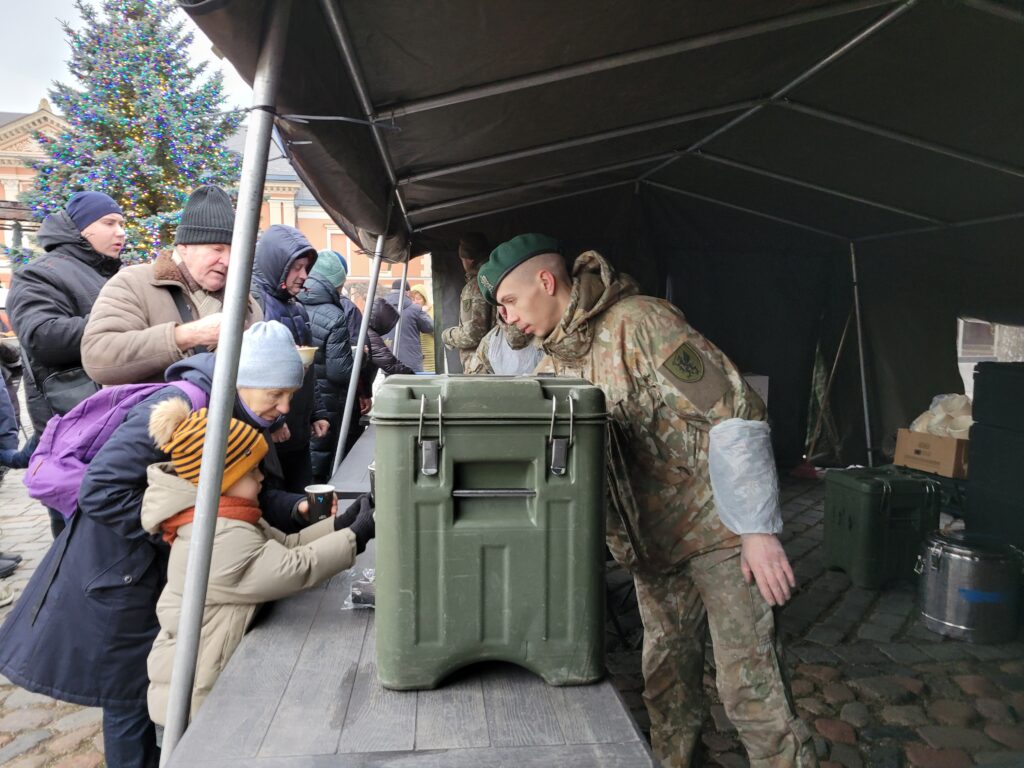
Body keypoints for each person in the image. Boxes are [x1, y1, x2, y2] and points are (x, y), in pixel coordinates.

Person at [477, 234, 815, 768]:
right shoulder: (550, 367)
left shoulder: (641, 325)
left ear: (546, 281)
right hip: (651, 550)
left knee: (751, 692)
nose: (508, 318)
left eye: (510, 302)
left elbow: (733, 409)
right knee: (666, 690)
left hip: (718, 534)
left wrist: (757, 530)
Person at [0, 322, 325, 768]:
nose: (284, 407)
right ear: (242, 379)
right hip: (119, 571)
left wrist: (294, 509)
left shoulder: (242, 409)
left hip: (153, 566)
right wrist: (186, 530)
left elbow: (233, 491)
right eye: (276, 394)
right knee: (131, 696)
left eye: (291, 395)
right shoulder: (182, 407)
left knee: (155, 687)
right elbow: (102, 490)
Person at [142, 398, 375, 730]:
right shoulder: (217, 536)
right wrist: (355, 536)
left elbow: (286, 546)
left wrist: (338, 526)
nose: (261, 477)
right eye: (251, 470)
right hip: (193, 700)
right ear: (223, 480)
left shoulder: (229, 518)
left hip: (212, 676)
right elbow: (292, 568)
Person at [8, 191, 125, 537]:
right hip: (71, 429)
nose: (120, 232)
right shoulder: (39, 274)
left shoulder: (107, 273)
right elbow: (42, 336)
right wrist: (120, 322)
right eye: (109, 223)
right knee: (78, 536)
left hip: (110, 421)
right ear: (81, 229)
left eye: (122, 223)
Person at [81, 185, 262, 385]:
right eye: (217, 249)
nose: (227, 261)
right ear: (184, 248)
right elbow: (98, 359)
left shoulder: (248, 305)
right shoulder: (133, 283)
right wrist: (188, 335)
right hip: (150, 406)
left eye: (233, 252)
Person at [251, 225, 330, 492]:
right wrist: (274, 422)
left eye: (306, 268)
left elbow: (307, 369)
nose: (304, 275)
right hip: (271, 435)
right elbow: (253, 375)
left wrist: (317, 412)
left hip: (297, 431)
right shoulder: (254, 304)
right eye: (296, 267)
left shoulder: (296, 306)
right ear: (278, 265)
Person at [296, 250, 355, 482]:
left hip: (297, 399)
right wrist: (358, 358)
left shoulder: (292, 305)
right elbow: (339, 372)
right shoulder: (335, 315)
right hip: (328, 401)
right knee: (322, 463)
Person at [441, 233, 493, 370]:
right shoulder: (495, 279)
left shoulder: (475, 286)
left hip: (480, 366)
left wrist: (447, 335)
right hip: (497, 363)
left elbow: (472, 334)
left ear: (469, 259)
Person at [463, 309, 544, 375]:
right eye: (499, 303)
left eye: (510, 300)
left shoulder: (546, 336)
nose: (503, 310)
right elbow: (475, 381)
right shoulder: (491, 340)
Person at [383, 278, 433, 372]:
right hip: (411, 363)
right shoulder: (415, 309)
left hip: (387, 362)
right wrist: (424, 313)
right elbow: (429, 327)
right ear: (407, 292)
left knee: (391, 382)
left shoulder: (380, 307)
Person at [408, 284, 435, 373]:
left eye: (418, 299)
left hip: (430, 354)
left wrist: (424, 314)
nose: (415, 302)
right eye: (413, 299)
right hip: (415, 355)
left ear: (424, 299)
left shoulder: (433, 309)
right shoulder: (410, 311)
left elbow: (437, 332)